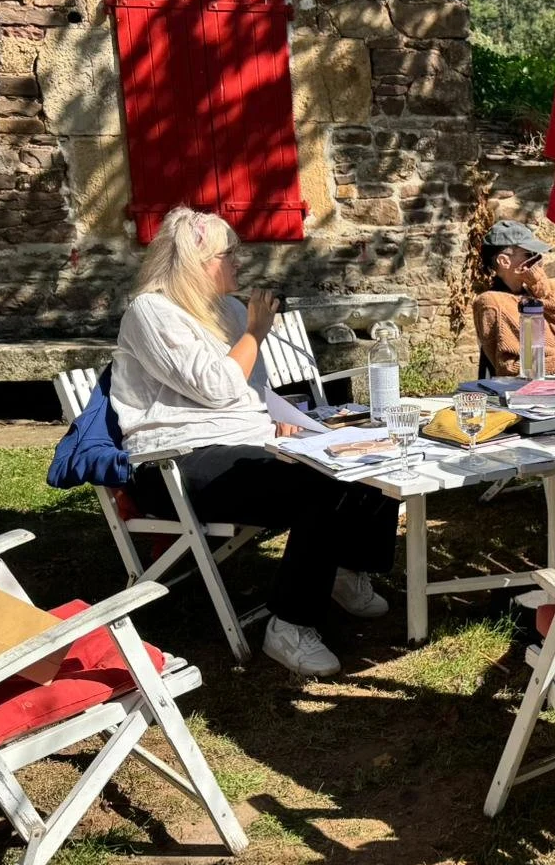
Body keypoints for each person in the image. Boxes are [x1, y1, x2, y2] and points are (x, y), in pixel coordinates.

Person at [111, 206, 400, 679]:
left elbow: (248, 393)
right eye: (230, 254)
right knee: (321, 484)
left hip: (243, 443)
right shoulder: (151, 312)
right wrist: (254, 332)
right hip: (176, 462)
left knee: (370, 450)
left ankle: (347, 571)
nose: (240, 263)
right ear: (196, 262)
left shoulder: (226, 309)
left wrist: (280, 419)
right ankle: (289, 624)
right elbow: (217, 388)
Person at [471, 219, 555, 376]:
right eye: (529, 253)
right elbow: (509, 367)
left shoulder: (534, 296)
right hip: (532, 386)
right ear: (504, 261)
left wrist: (542, 289)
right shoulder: (492, 302)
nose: (537, 260)